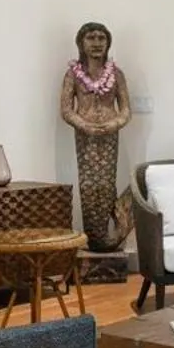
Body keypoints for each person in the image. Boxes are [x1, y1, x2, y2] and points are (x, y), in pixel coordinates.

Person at [59, 22, 131, 252]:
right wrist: (84, 125)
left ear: (108, 43)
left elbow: (127, 109)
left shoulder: (116, 74)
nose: (97, 43)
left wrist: (114, 123)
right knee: (89, 185)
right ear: (81, 43)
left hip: (109, 137)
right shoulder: (73, 75)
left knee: (106, 184)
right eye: (91, 37)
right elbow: (66, 110)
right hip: (85, 137)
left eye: (102, 38)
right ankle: (95, 237)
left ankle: (113, 230)